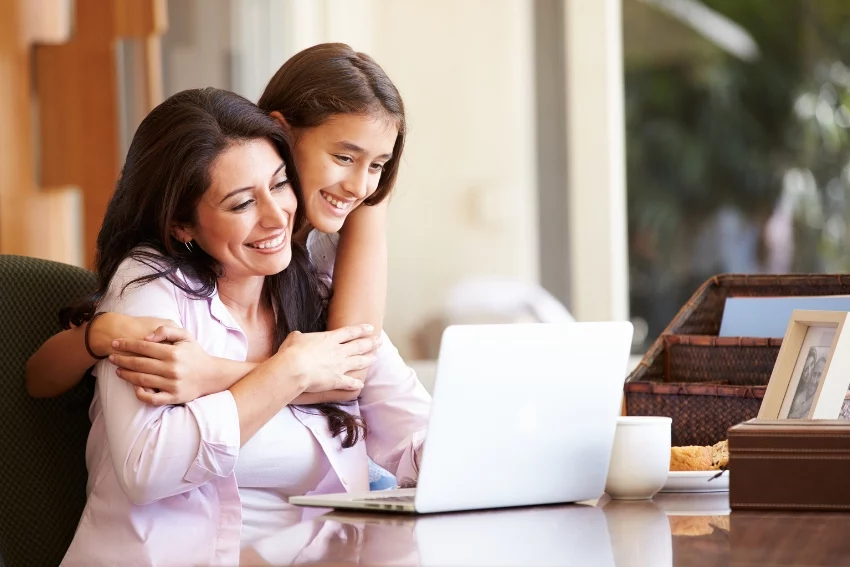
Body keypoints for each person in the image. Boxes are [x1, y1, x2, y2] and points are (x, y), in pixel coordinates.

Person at [60, 87, 429, 567]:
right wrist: (287, 372)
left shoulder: (312, 291)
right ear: (181, 225)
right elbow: (147, 467)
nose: (276, 218)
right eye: (240, 204)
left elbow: (414, 433)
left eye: (280, 185)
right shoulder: (149, 287)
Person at [26, 43, 400, 406]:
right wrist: (97, 333)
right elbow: (39, 379)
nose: (360, 185)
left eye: (378, 165)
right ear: (282, 132)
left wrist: (211, 373)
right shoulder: (183, 246)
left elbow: (349, 374)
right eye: (343, 157)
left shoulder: (352, 213)